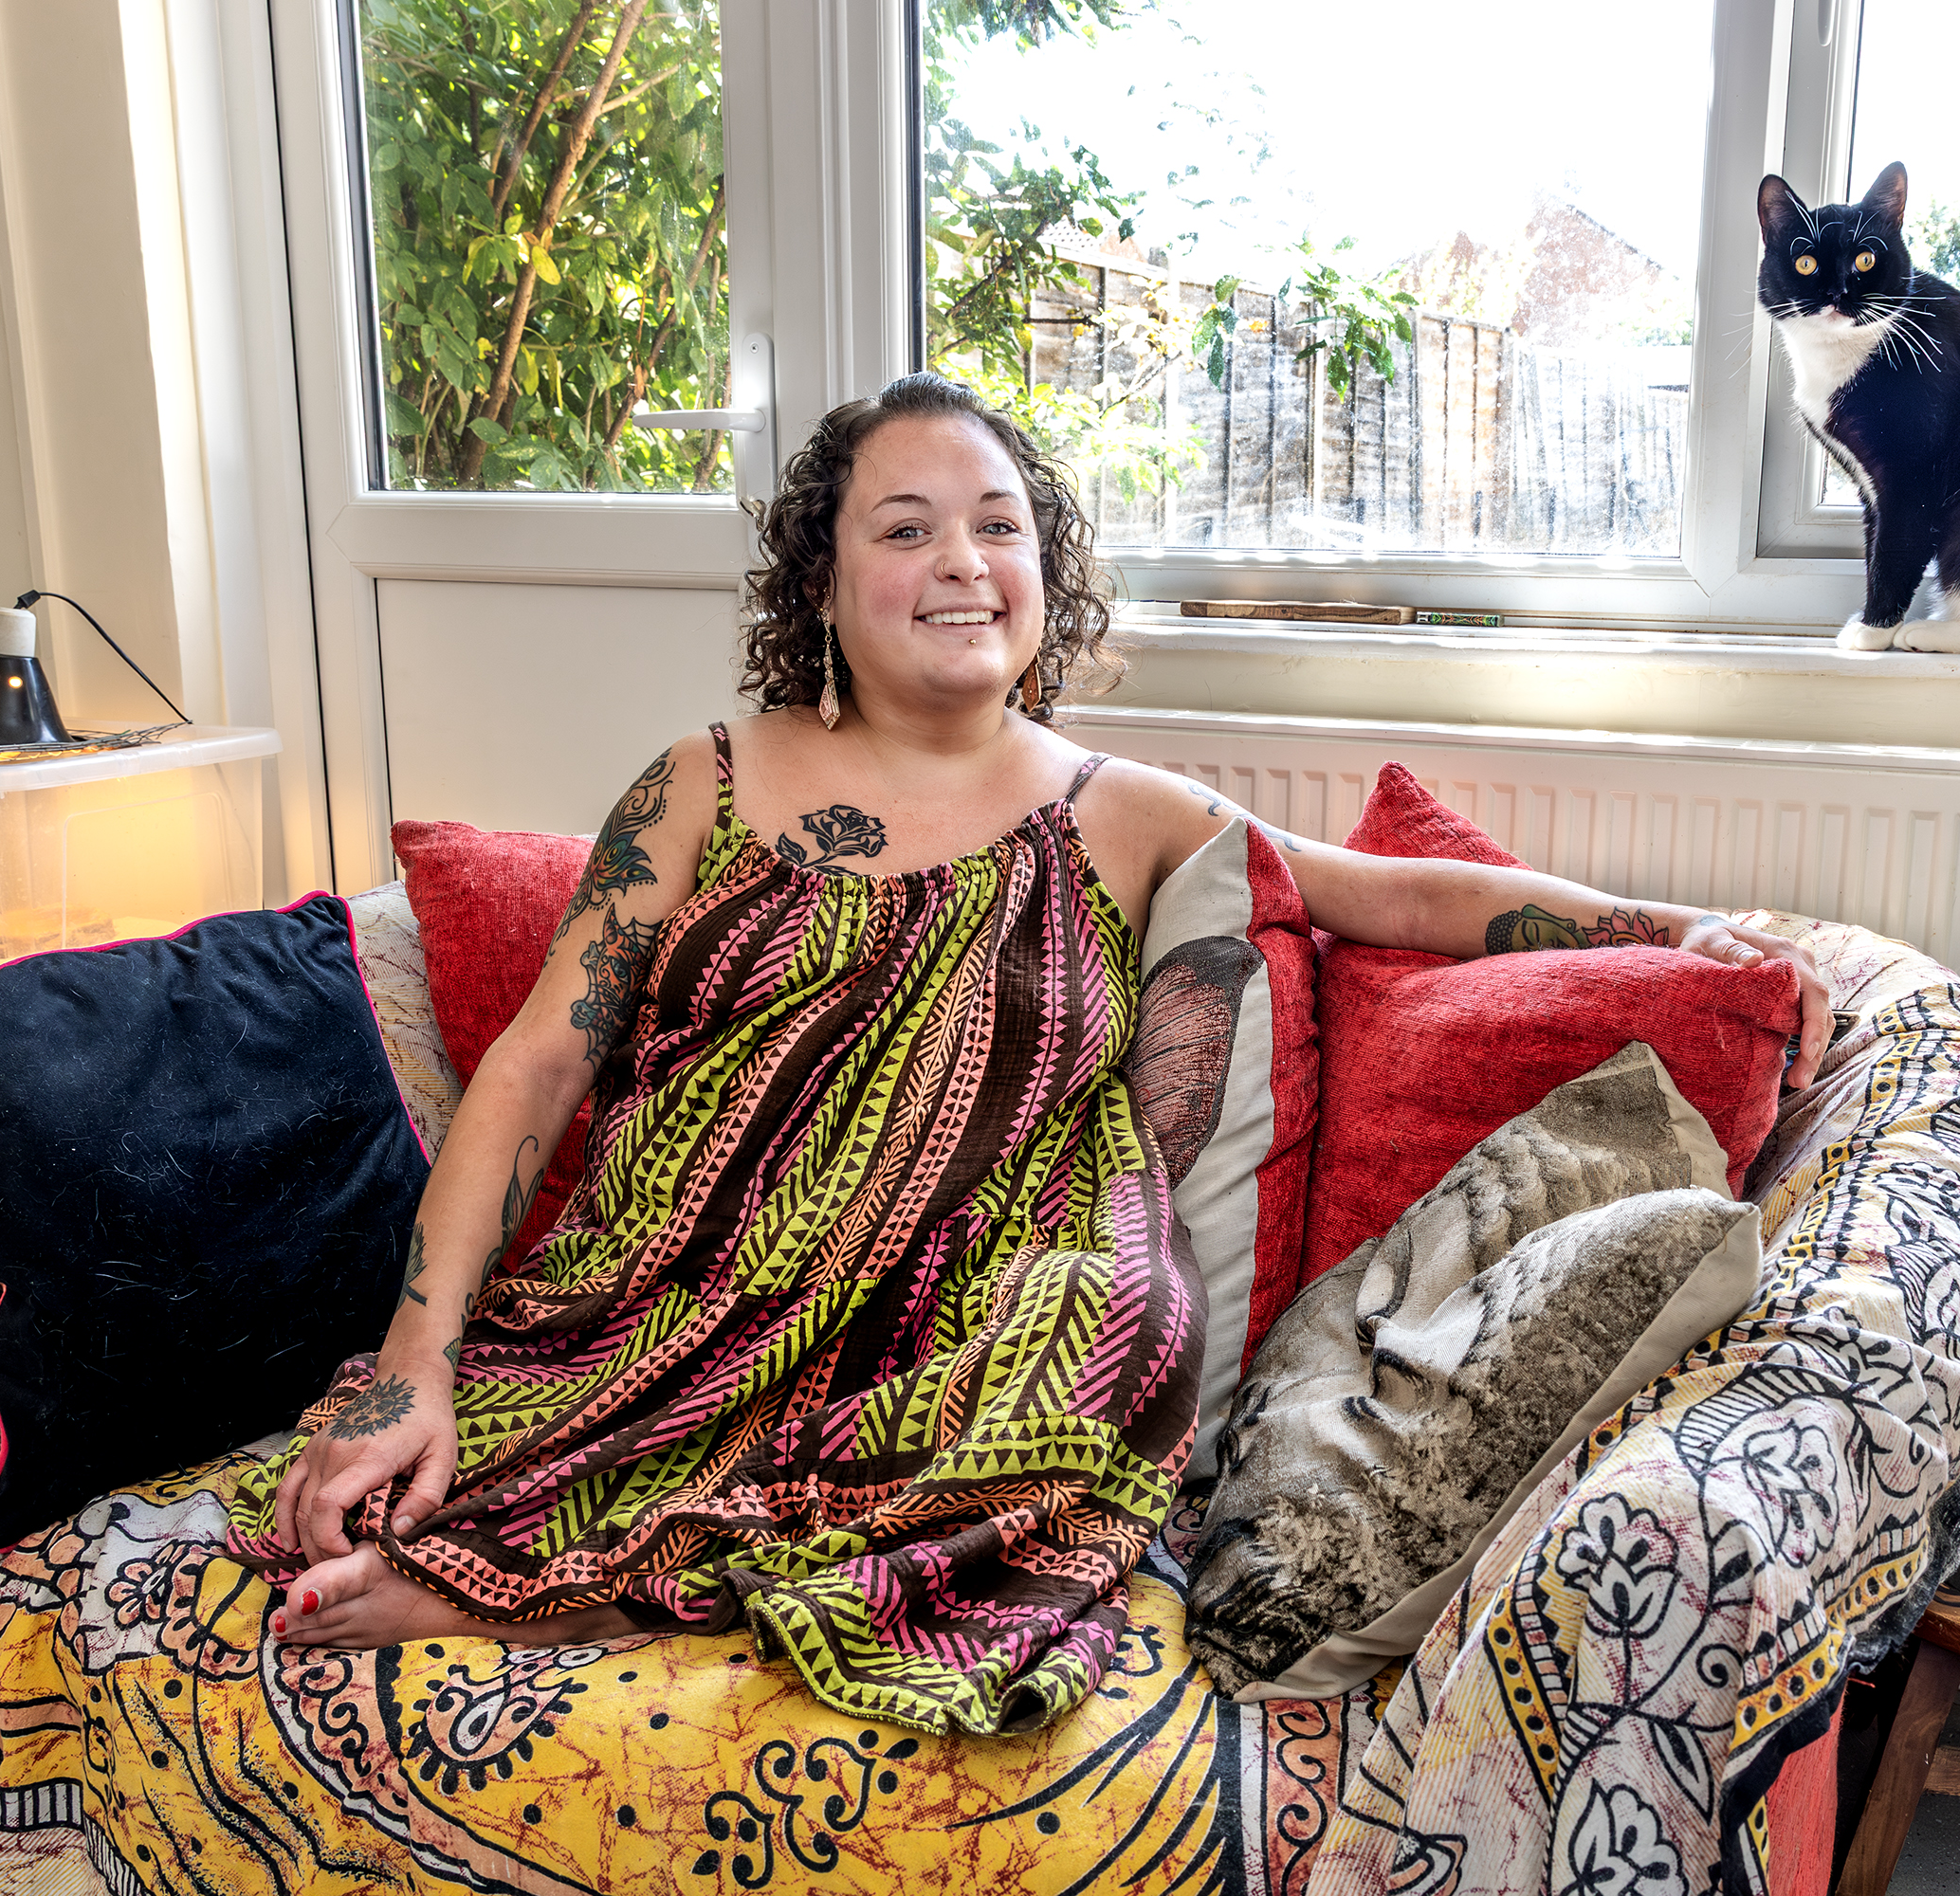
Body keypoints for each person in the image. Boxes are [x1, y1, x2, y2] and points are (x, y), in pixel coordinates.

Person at [225, 373, 1830, 1735]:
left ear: (1045, 569)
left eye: (998, 526)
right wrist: (414, 1362)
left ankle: (599, 1591)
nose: (962, 562)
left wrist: (1672, 928)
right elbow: (533, 1067)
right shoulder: (701, 784)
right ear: (821, 582)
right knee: (386, 1472)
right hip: (689, 1277)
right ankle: (596, 1548)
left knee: (1115, 1323)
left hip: (973, 1298)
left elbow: (1391, 891)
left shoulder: (1123, 810)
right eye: (905, 528)